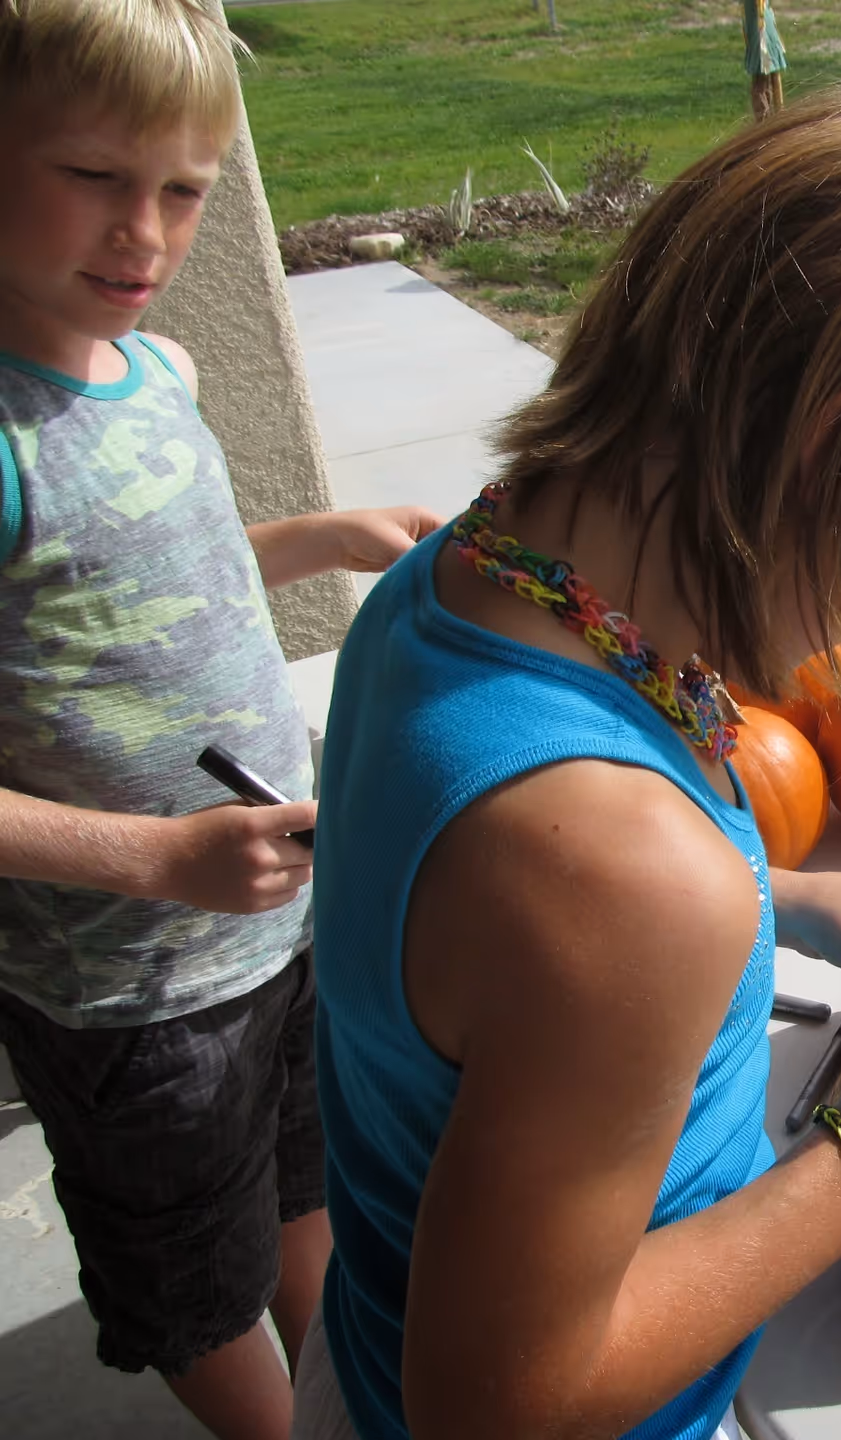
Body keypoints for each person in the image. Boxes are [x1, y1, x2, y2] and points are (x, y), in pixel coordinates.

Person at [295, 84, 841, 1440]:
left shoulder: (455, 585)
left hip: (350, 1357)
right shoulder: (623, 874)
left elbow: (503, 953)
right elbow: (492, 1409)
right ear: (828, 451)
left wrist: (790, 895)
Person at [0, 4, 438, 1437]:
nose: (145, 233)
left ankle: (345, 1395)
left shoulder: (163, 370)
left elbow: (140, 578)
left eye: (183, 190)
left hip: (278, 922)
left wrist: (315, 537)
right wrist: (157, 862)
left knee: (302, 1188)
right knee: (195, 1277)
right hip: (131, 993)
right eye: (93, 176)